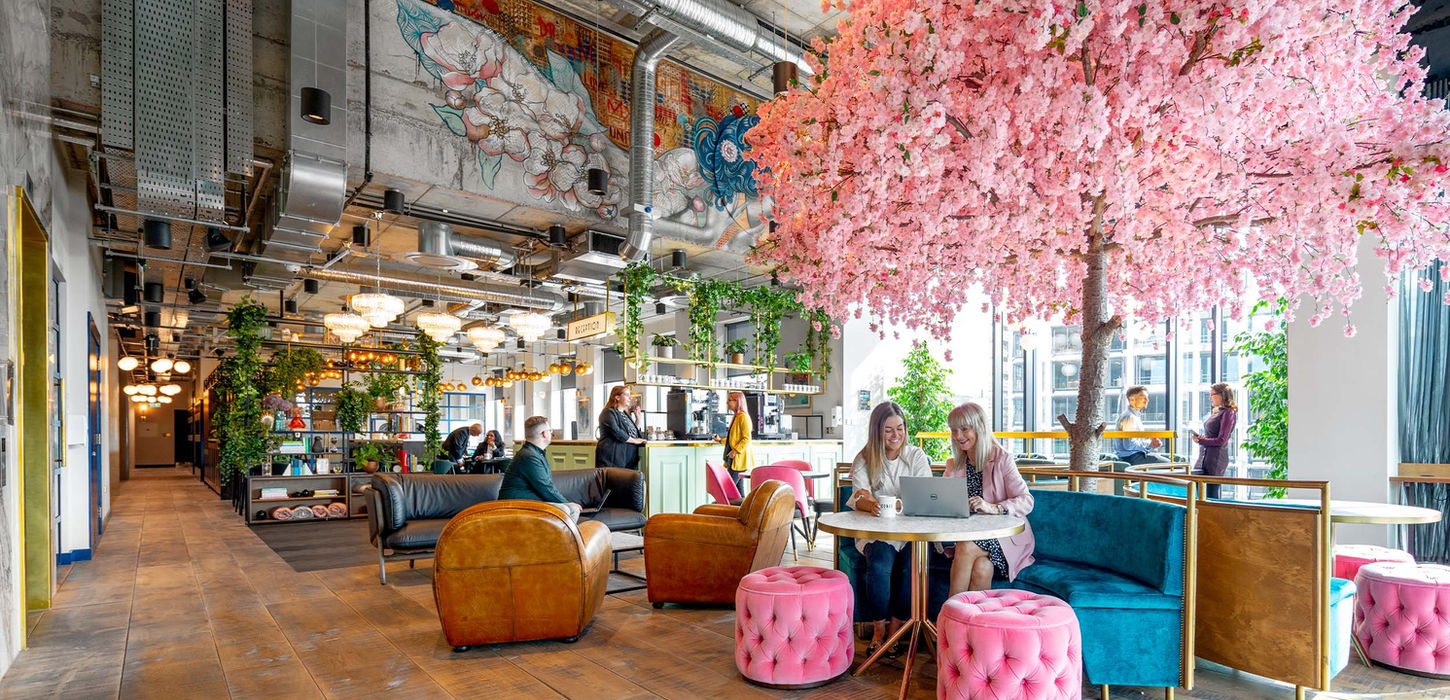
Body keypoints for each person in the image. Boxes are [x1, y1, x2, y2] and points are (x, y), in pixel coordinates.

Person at [845, 401, 931, 658]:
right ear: (877, 431)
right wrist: (870, 504)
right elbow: (859, 497)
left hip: (910, 530)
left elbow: (924, 495)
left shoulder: (916, 456)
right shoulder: (865, 458)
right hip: (877, 530)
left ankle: (895, 633)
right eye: (888, 430)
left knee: (909, 566)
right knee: (880, 562)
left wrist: (897, 504)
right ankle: (879, 632)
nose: (896, 436)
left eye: (900, 428)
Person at [941, 402, 1036, 596]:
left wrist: (994, 507)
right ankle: (970, 625)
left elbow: (1027, 500)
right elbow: (943, 500)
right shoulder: (955, 464)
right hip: (970, 534)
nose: (958, 436)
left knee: (966, 547)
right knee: (982, 568)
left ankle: (947, 617)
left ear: (980, 428)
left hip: (1004, 537)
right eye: (954, 430)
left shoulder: (1002, 459)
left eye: (964, 429)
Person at [499, 416, 581, 521]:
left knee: (570, 508)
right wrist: (566, 502)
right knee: (567, 509)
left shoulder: (533, 453)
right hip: (515, 505)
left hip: (526, 502)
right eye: (550, 430)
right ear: (543, 434)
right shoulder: (529, 456)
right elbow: (545, 487)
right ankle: (559, 537)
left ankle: (560, 537)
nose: (551, 433)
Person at [1192, 382, 1238, 500]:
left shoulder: (1228, 413)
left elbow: (1221, 440)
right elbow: (1212, 436)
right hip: (1204, 456)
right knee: (1199, 493)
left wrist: (1202, 441)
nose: (1209, 398)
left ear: (1222, 395)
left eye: (1212, 394)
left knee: (1211, 496)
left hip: (1215, 459)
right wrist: (1202, 439)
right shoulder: (1218, 412)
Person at [1112, 386, 1169, 465]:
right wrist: (1149, 443)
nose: (1147, 400)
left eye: (1147, 398)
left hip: (1134, 456)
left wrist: (1150, 444)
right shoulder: (1129, 417)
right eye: (1143, 398)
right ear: (1132, 399)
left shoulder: (1133, 416)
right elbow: (1129, 445)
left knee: (1173, 464)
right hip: (1131, 458)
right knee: (1175, 467)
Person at [596, 386, 646, 469]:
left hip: (626, 460)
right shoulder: (608, 412)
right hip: (612, 460)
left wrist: (638, 419)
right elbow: (617, 432)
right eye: (626, 395)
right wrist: (635, 441)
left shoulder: (625, 414)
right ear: (617, 397)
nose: (629, 398)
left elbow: (632, 433)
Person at [722, 391, 755, 492]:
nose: (727, 402)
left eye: (729, 400)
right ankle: (742, 507)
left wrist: (735, 451)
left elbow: (746, 438)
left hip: (738, 459)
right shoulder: (737, 417)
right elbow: (734, 438)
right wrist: (720, 440)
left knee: (727, 490)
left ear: (737, 402)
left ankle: (724, 507)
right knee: (738, 490)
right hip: (735, 459)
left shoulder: (743, 417)